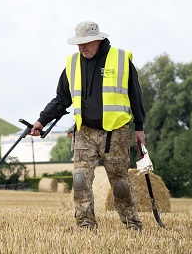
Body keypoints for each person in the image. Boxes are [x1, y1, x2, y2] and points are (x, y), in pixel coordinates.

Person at [30, 21, 145, 231]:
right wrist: (41, 121)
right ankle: (85, 225)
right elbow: (61, 99)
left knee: (120, 183)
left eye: (85, 43)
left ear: (98, 40)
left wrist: (139, 127)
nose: (81, 47)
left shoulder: (120, 59)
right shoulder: (73, 63)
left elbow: (135, 96)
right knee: (80, 179)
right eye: (78, 44)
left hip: (115, 133)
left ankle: (132, 225)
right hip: (85, 132)